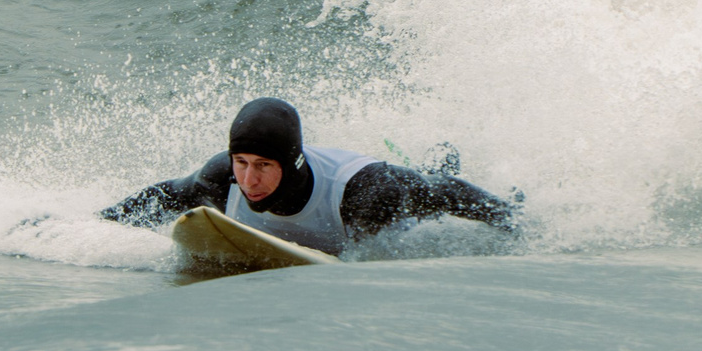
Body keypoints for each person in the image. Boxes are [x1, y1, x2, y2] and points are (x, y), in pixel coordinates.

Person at [100, 97, 520, 255]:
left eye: (264, 166)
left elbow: (441, 194)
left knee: (432, 188)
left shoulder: (364, 192)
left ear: (291, 162)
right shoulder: (218, 179)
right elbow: (163, 196)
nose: (248, 180)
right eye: (242, 162)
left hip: (397, 193)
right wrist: (96, 225)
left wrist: (511, 219)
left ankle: (442, 160)